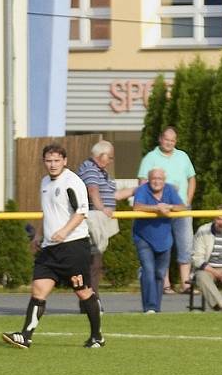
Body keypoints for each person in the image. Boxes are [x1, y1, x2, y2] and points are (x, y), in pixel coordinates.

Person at [1, 144, 105, 349]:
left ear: (64, 161)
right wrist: (38, 235)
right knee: (38, 290)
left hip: (73, 247)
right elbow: (47, 212)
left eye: (57, 160)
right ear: (44, 162)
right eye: (49, 161)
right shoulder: (45, 182)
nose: (53, 164)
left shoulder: (72, 181)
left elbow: (81, 212)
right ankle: (25, 336)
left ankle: (97, 336)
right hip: (50, 249)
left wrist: (64, 232)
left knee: (83, 292)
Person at [138, 126, 196, 294]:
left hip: (180, 209)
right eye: (166, 139)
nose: (169, 143)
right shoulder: (150, 158)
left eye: (172, 140)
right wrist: (150, 204)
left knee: (185, 244)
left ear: (175, 141)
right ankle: (165, 284)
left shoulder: (183, 156)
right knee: (162, 244)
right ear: (160, 139)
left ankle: (186, 283)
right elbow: (142, 183)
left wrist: (188, 201)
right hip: (158, 210)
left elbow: (192, 179)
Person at [77, 140, 135, 301]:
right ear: (101, 156)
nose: (111, 161)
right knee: (93, 264)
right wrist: (102, 209)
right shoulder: (90, 169)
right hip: (92, 221)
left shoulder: (101, 172)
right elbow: (92, 190)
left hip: (100, 221)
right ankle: (90, 300)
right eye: (110, 157)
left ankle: (91, 299)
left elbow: (113, 195)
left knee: (96, 263)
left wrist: (136, 190)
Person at [132, 168, 185, 313]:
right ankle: (150, 307)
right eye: (154, 178)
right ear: (149, 179)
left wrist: (169, 207)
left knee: (159, 273)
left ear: (164, 180)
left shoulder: (169, 190)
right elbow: (137, 207)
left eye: (160, 179)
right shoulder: (143, 190)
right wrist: (157, 208)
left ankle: (156, 307)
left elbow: (182, 207)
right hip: (144, 238)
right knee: (148, 270)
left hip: (164, 239)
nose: (157, 182)